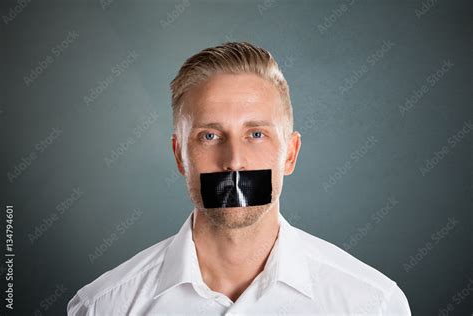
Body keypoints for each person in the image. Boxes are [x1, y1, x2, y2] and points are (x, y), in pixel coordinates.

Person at [67, 42, 411, 315]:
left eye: (256, 134)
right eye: (210, 136)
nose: (234, 162)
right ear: (179, 156)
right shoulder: (104, 306)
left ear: (289, 154)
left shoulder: (371, 304)